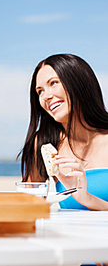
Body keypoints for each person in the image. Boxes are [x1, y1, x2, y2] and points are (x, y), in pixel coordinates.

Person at [21, 53, 108, 210]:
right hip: (66, 234)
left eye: (53, 83)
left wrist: (88, 200)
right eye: (40, 91)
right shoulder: (45, 143)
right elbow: (28, 204)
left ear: (79, 83)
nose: (46, 96)